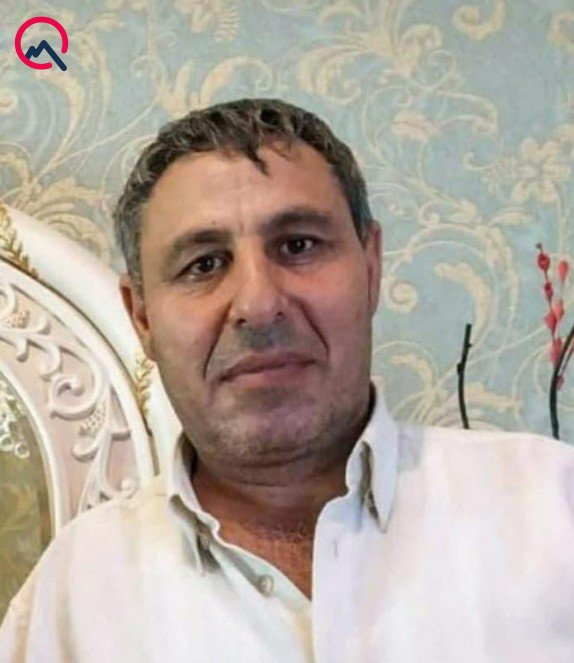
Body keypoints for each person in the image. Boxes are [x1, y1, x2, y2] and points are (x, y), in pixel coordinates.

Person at [1, 98, 574, 663]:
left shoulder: (551, 506)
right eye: (204, 264)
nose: (258, 304)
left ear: (371, 267)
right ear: (142, 317)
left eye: (298, 246)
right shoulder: (72, 598)